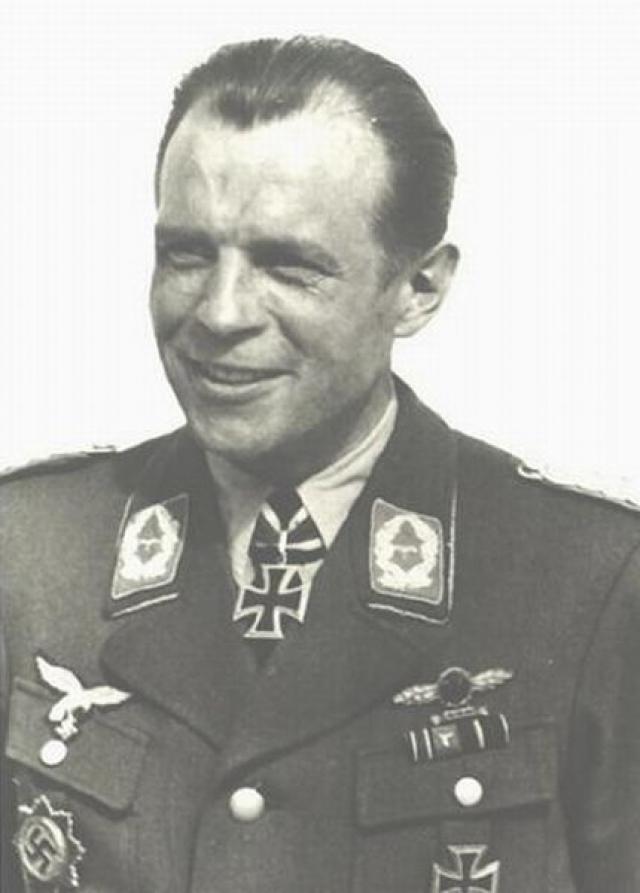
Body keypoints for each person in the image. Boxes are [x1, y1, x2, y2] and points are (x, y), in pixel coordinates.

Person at [1, 35, 639, 893]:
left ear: (418, 288)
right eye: (186, 254)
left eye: (289, 266)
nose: (220, 312)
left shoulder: (590, 582)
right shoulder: (29, 554)